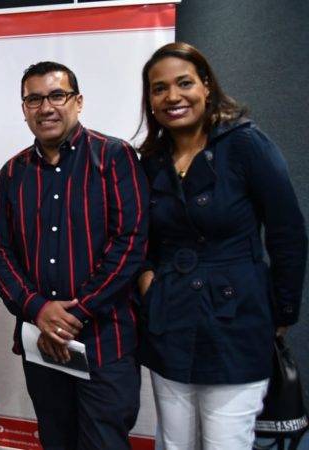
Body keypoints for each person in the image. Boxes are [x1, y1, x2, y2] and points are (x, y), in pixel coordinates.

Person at [136, 42, 307, 450]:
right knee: (175, 443)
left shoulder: (246, 144)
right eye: (159, 89)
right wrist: (147, 282)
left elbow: (288, 234)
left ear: (207, 86)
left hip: (236, 321)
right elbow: (140, 237)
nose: (172, 97)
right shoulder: (151, 160)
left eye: (184, 83)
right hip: (170, 319)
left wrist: (281, 312)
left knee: (226, 442)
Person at [0, 61, 148, 450]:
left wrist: (75, 314)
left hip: (106, 341)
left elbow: (131, 243)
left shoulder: (115, 157)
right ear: (24, 108)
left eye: (57, 95)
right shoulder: (12, 173)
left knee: (104, 443)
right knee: (56, 440)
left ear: (78, 101)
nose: (46, 107)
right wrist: (39, 309)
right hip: (43, 344)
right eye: (34, 99)